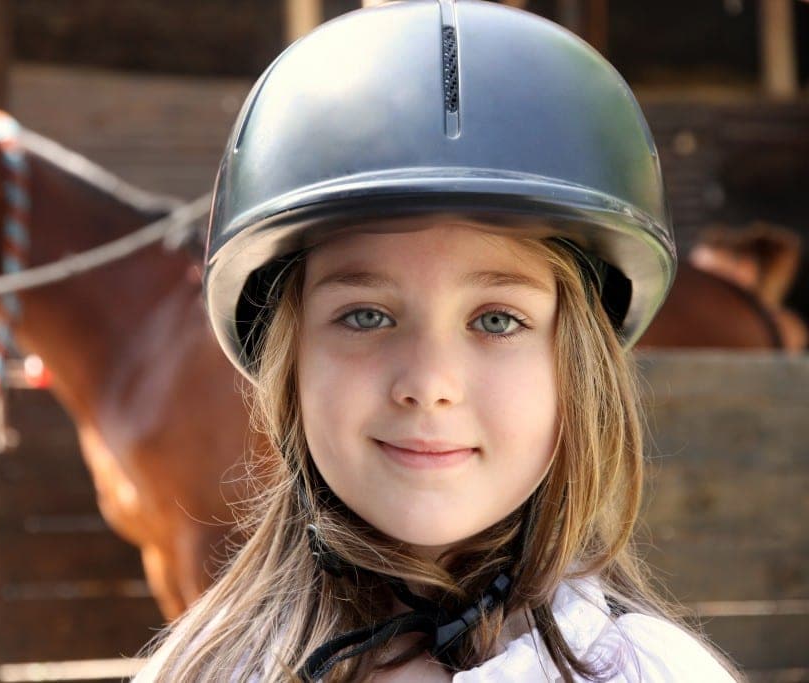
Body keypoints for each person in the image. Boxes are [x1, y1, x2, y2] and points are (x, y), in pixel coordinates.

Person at [135, 1, 740, 680]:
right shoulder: (205, 671)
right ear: (289, 363)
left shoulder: (656, 672)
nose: (429, 381)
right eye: (366, 315)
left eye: (497, 319)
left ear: (580, 368)